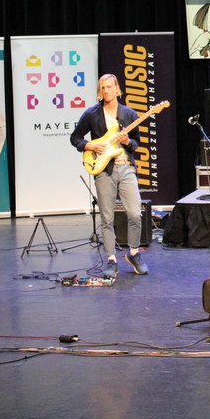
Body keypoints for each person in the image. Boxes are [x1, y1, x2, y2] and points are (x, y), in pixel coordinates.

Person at [70, 74, 148, 278]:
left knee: (135, 214)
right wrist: (90, 146)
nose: (105, 91)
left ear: (116, 89)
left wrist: (128, 142)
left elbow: (137, 143)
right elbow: (75, 137)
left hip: (126, 167)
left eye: (109, 87)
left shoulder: (129, 114)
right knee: (107, 218)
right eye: (102, 88)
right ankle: (111, 260)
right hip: (104, 170)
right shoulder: (91, 114)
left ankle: (134, 253)